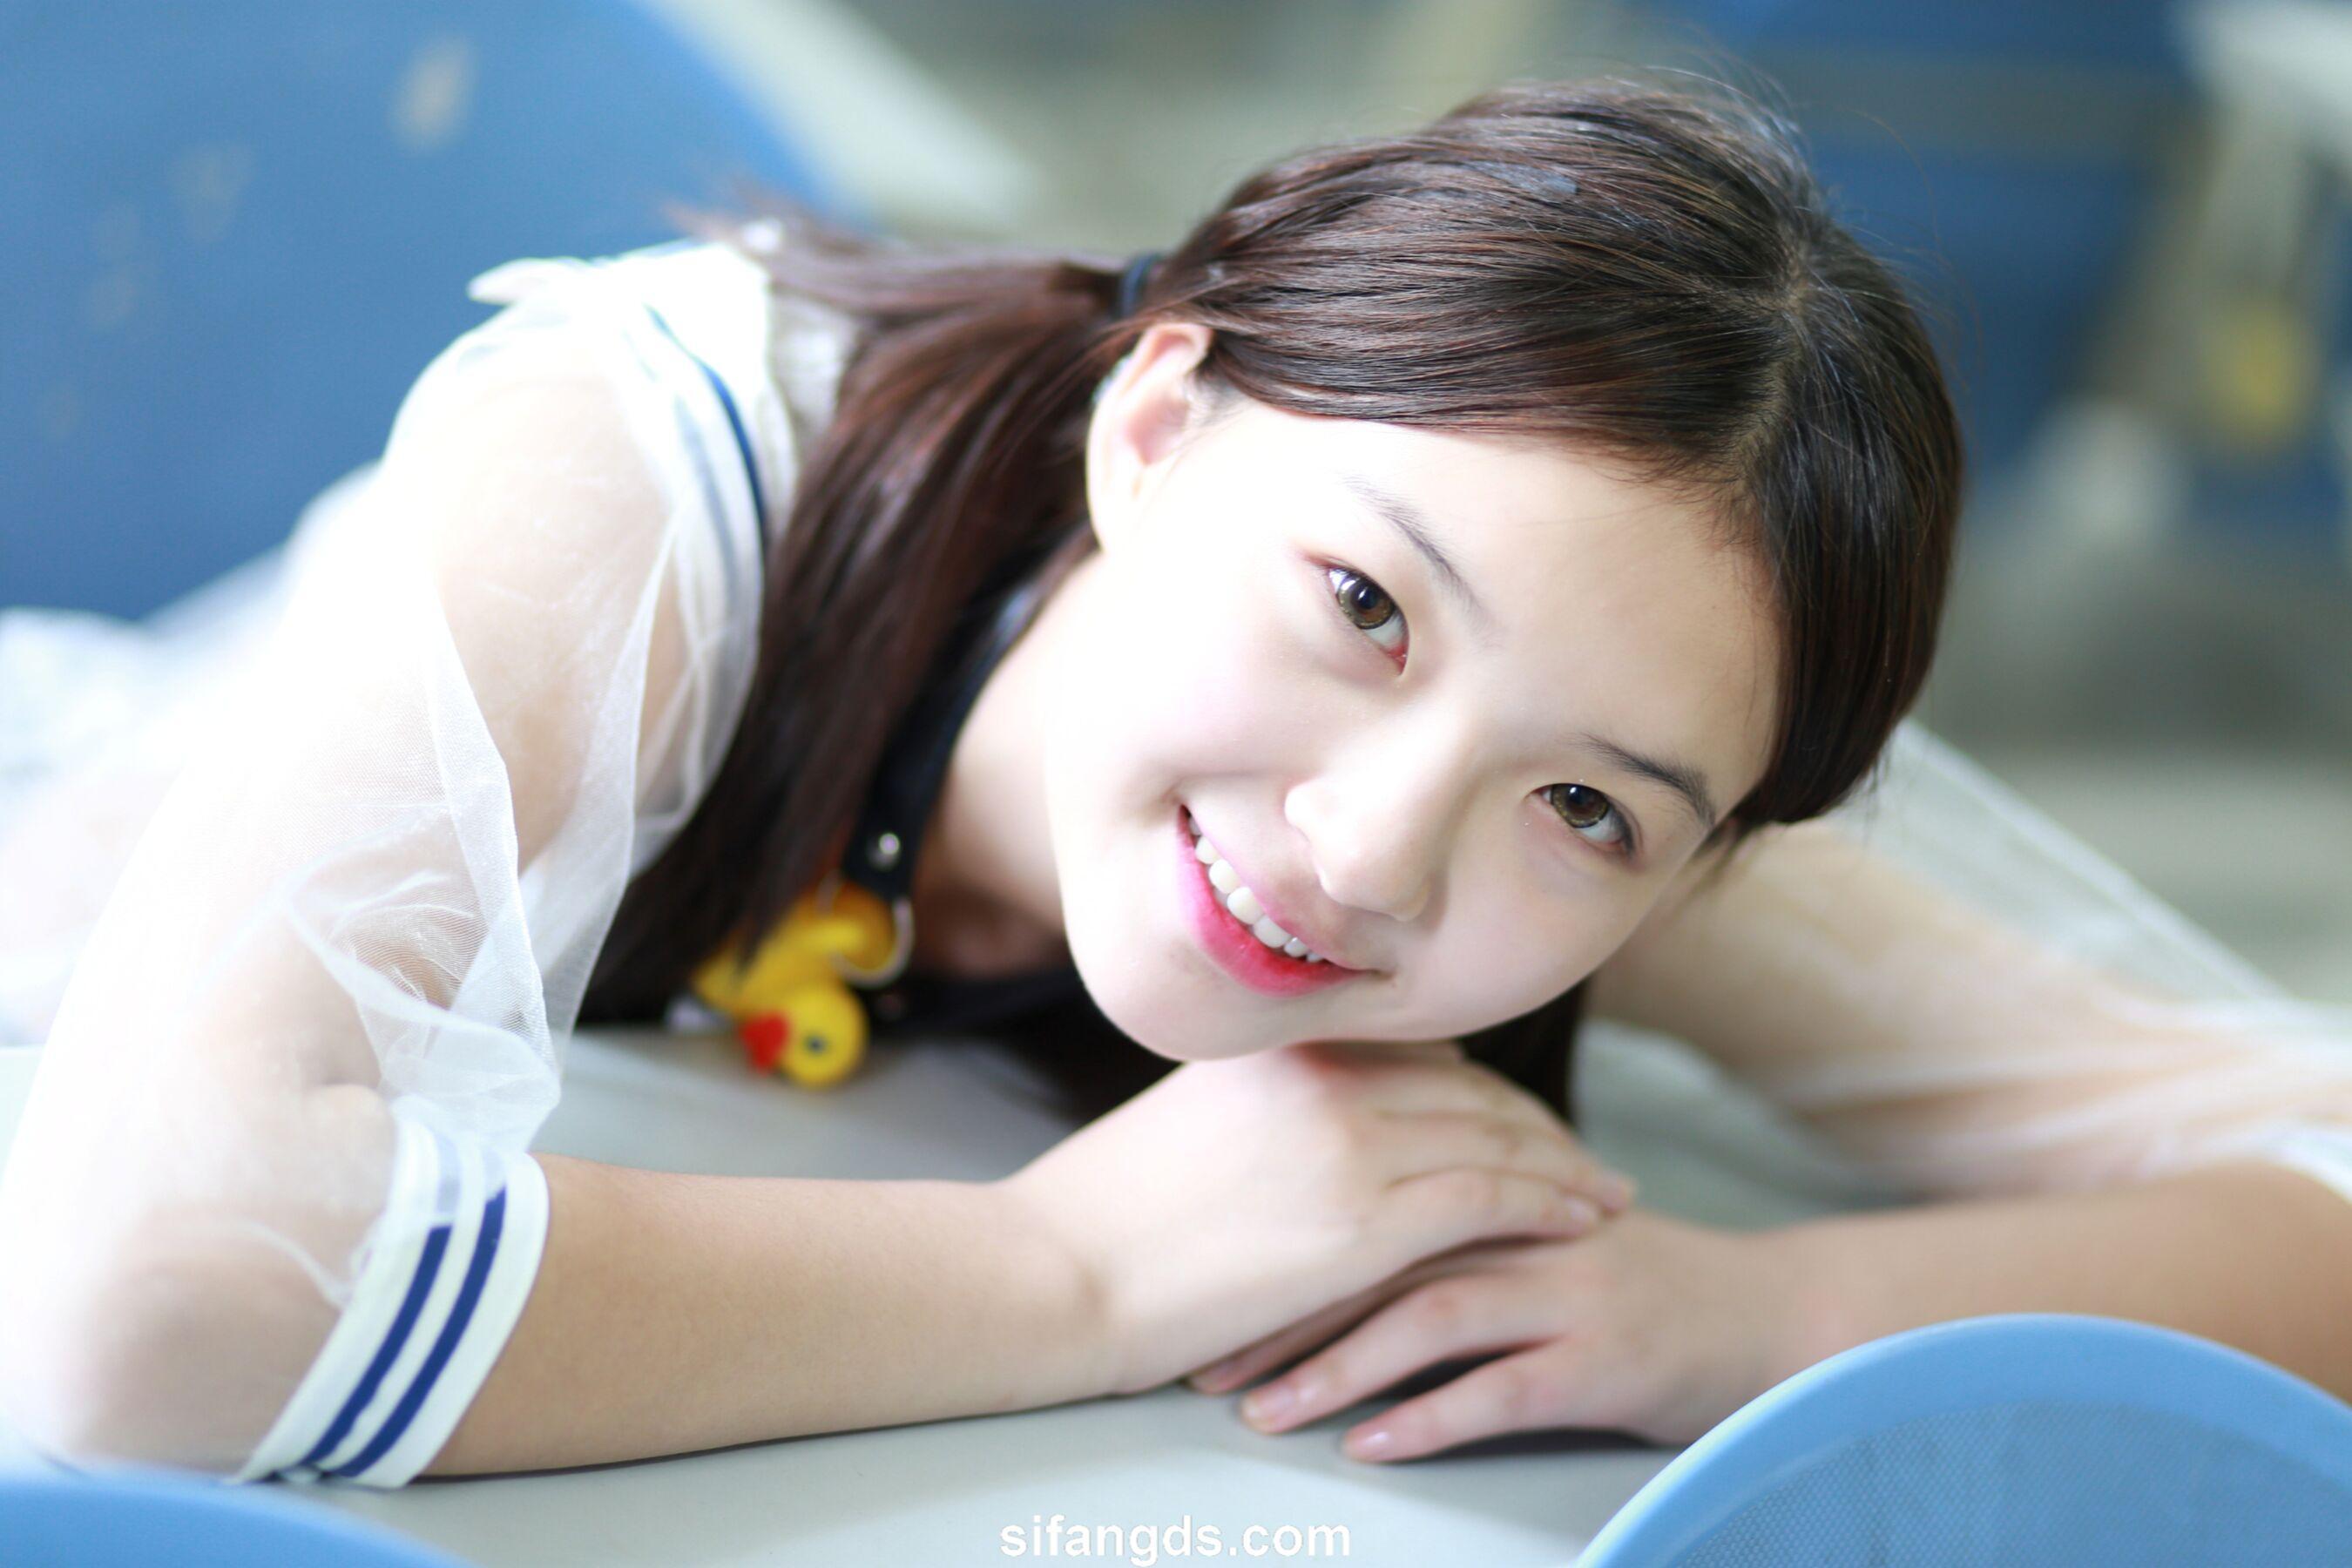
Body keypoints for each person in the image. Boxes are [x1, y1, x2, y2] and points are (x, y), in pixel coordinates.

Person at [3, 77, 2349, 1487]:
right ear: (1153, 426)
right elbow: (134, 1302)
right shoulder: (652, 466)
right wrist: (1070, 1268)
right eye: (1362, 607)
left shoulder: (1611, 777)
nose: (1368, 849)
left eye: (1589, 813)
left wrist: (1742, 1317)